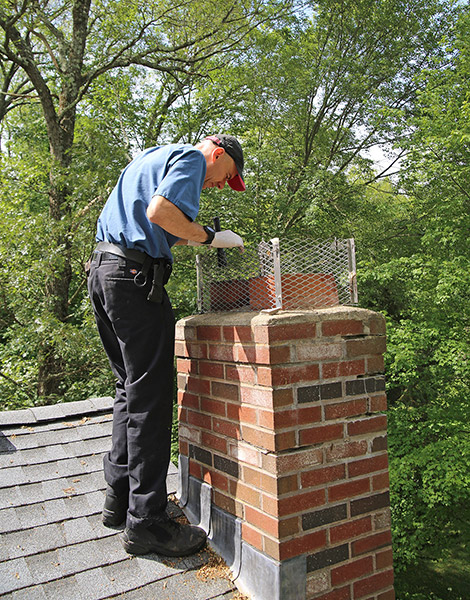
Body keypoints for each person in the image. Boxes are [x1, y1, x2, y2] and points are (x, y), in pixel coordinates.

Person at [87, 134, 245, 557]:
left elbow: (153, 220)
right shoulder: (192, 160)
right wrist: (211, 237)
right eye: (224, 177)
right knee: (152, 398)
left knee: (129, 389)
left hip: (103, 272)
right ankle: (148, 522)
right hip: (134, 281)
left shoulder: (151, 157)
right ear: (218, 154)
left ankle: (118, 497)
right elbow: (161, 213)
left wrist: (195, 234)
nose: (215, 186)